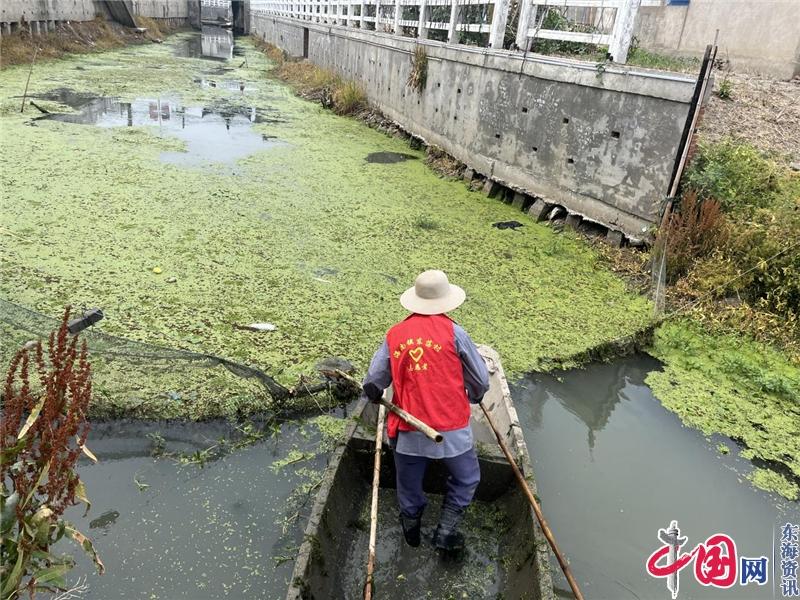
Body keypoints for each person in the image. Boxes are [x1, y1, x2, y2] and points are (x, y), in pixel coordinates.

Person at [362, 269, 490, 552]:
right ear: (447, 302)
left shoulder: (395, 335)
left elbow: (373, 382)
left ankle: (411, 533)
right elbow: (480, 381)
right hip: (452, 430)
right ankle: (445, 532)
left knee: (408, 487)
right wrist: (476, 396)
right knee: (467, 478)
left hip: (408, 432)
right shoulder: (455, 333)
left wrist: (372, 391)